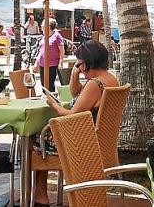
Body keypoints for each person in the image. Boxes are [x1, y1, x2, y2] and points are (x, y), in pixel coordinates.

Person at [36, 42, 118, 205]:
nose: (79, 66)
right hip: (100, 142)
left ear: (87, 63)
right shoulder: (109, 79)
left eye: (79, 62)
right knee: (42, 139)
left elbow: (72, 115)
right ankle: (40, 194)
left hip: (83, 144)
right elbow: (76, 94)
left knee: (36, 141)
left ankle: (40, 196)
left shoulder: (95, 84)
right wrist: (75, 73)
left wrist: (54, 105)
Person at [37, 18, 65, 92]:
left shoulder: (56, 36)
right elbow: (40, 51)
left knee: (49, 84)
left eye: (43, 24)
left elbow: (61, 50)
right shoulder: (44, 36)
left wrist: (61, 62)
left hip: (52, 64)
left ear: (48, 25)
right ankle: (46, 97)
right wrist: (36, 63)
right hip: (42, 64)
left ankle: (51, 97)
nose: (41, 26)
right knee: (43, 84)